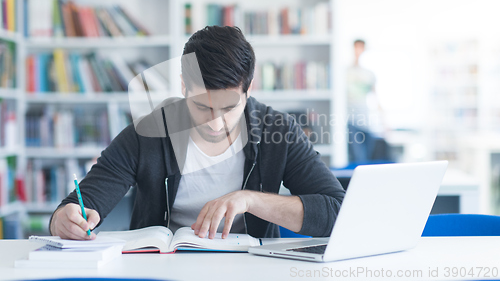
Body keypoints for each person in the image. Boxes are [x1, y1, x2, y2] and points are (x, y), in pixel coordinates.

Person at [49, 26, 346, 240]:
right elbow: (82, 204)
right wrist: (65, 218)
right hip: (162, 269)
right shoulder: (148, 132)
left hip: (252, 270)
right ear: (183, 87)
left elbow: (336, 212)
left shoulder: (277, 130)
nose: (215, 124)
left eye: (229, 108)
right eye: (202, 107)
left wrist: (250, 200)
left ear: (249, 91)